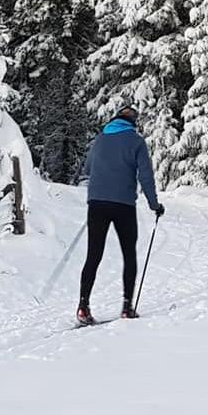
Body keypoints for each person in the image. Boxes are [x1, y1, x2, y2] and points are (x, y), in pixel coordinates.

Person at [78, 105, 165, 325]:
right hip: (124, 205)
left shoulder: (99, 139)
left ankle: (83, 306)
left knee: (93, 255)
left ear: (114, 119)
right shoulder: (136, 142)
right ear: (134, 122)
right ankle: (127, 307)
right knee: (129, 254)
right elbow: (146, 177)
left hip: (96, 202)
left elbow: (87, 168)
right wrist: (154, 205)